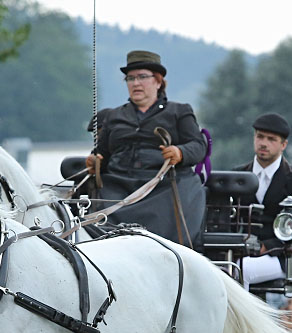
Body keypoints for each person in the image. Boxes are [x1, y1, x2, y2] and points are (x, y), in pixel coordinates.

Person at [85, 50, 208, 247]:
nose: (135, 83)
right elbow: (103, 153)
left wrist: (179, 153)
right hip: (118, 187)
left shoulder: (179, 112)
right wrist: (95, 160)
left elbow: (198, 146)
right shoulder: (113, 116)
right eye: (130, 78)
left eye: (142, 77)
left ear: (158, 82)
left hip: (162, 186)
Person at [235, 113, 292, 288]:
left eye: (271, 139)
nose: (263, 143)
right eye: (259, 136)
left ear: (283, 144)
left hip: (284, 259)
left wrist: (266, 247)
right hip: (239, 252)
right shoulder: (238, 176)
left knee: (240, 271)